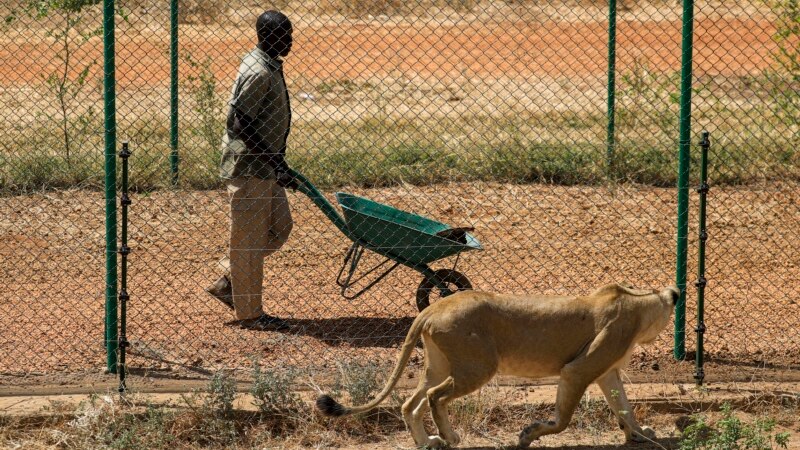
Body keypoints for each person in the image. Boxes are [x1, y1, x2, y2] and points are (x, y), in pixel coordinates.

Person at [206, 10, 299, 331]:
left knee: (279, 227)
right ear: (268, 36)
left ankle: (229, 278)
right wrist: (275, 162)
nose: (290, 41)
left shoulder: (266, 62)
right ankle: (250, 313)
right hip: (250, 168)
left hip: (265, 166)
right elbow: (238, 122)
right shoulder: (259, 71)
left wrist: (277, 163)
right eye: (285, 36)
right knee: (248, 241)